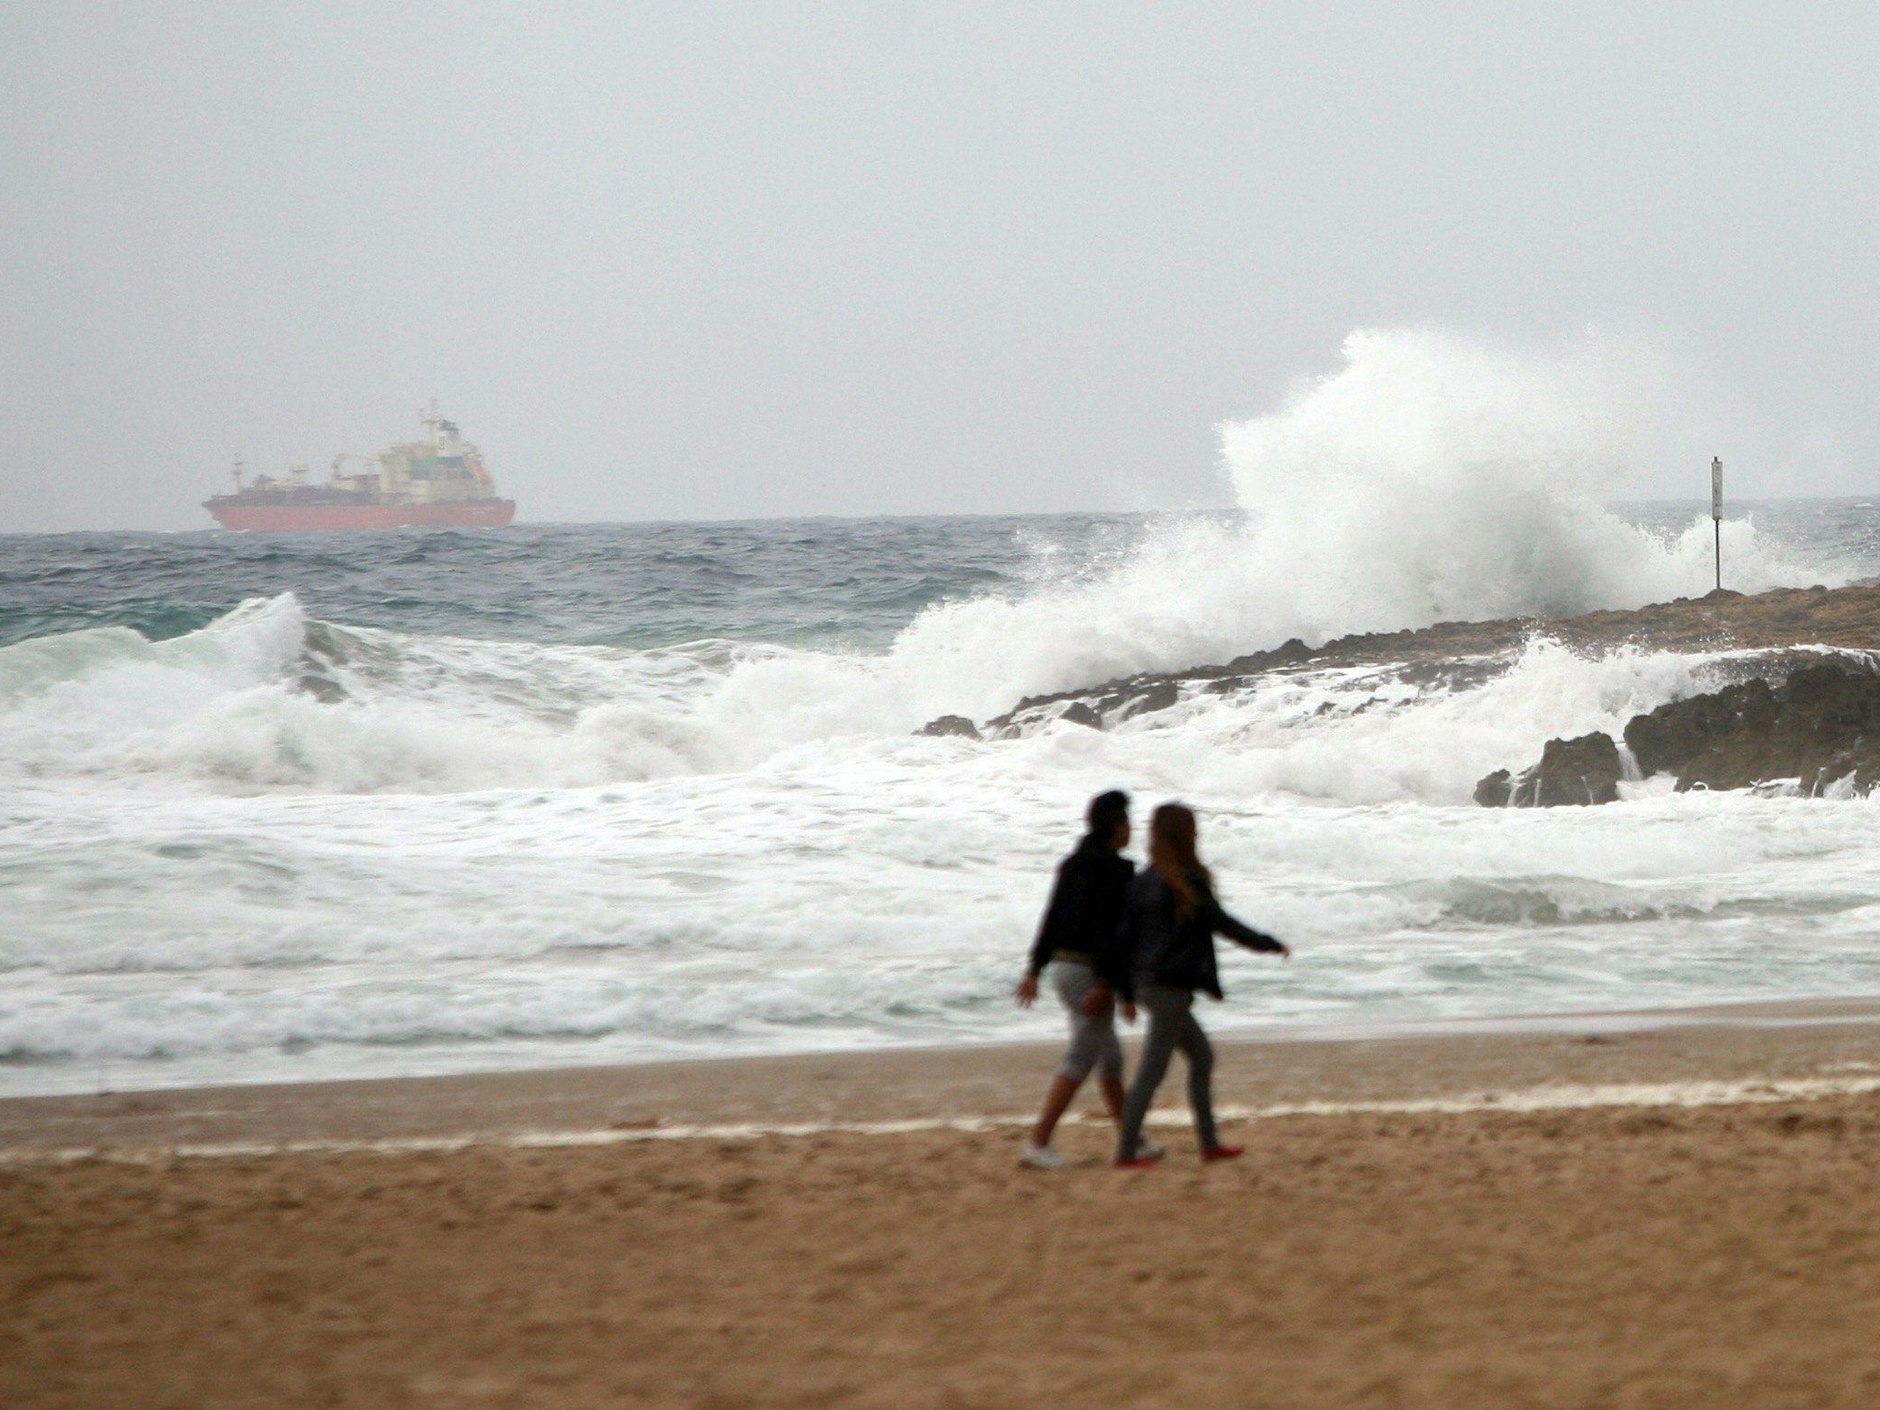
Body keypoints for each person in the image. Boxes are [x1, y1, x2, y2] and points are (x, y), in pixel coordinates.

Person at [1115, 802, 1289, 1169]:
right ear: (1186, 834)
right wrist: (1266, 943)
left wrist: (1126, 991)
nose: (1198, 833)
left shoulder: (1143, 880)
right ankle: (1126, 1152)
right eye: (1194, 828)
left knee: (1202, 1057)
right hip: (1170, 988)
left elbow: (1124, 940)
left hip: (1148, 984)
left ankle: (1209, 1145)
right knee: (1153, 1069)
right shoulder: (1186, 882)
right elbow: (1222, 923)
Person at [1013, 789, 1161, 1170]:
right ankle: (1038, 1142)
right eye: (1127, 822)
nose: (1131, 829)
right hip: (1090, 974)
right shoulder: (1118, 871)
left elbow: (1052, 918)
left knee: (1109, 1058)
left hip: (1063, 968)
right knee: (1082, 1057)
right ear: (1116, 828)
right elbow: (1115, 935)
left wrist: (1034, 969)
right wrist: (1110, 985)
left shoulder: (1072, 864)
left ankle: (1134, 1142)